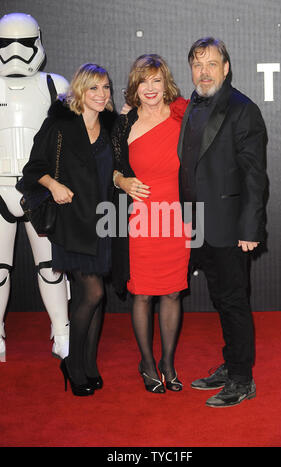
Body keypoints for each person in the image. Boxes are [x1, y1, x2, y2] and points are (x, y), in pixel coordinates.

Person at [178, 37, 268, 407]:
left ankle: (243, 379)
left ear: (226, 67)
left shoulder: (242, 108)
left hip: (230, 227)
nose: (204, 71)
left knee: (234, 302)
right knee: (221, 299)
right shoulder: (192, 107)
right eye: (198, 65)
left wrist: (250, 228)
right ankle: (231, 366)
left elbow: (254, 176)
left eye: (212, 64)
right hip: (200, 226)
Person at [22, 63, 117, 396]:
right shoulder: (60, 124)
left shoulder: (110, 124)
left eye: (106, 88)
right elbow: (32, 169)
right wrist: (53, 184)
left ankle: (89, 364)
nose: (102, 95)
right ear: (79, 91)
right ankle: (73, 365)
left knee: (96, 299)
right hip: (72, 221)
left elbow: (118, 170)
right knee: (92, 293)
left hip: (104, 221)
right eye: (94, 88)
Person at [112, 54, 190, 394]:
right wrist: (122, 181)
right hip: (140, 220)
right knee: (142, 295)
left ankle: (168, 363)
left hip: (175, 218)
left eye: (156, 81)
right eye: (144, 81)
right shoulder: (123, 124)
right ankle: (146, 362)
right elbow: (109, 168)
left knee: (173, 291)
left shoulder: (181, 116)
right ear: (135, 86)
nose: (150, 88)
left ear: (165, 84)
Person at [0, 12, 69, 362]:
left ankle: (62, 330)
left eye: (23, 44)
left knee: (52, 268)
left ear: (37, 41)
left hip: (40, 189)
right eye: (5, 44)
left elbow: (76, 137)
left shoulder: (54, 86)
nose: (14, 52)